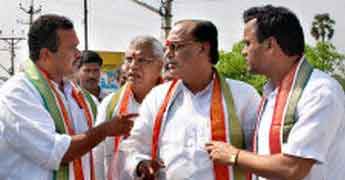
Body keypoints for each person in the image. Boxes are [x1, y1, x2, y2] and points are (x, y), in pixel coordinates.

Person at [206, 5, 345, 180]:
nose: (243, 51)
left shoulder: (319, 91)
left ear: (270, 45)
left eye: (248, 43)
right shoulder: (271, 93)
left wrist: (234, 156)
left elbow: (293, 167)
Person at [0, 14, 136, 180]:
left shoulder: (82, 97)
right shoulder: (18, 93)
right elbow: (57, 152)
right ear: (46, 55)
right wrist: (105, 130)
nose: (79, 54)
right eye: (72, 48)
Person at [124, 19, 261, 180]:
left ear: (203, 48)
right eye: (167, 47)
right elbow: (134, 147)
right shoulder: (157, 97)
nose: (168, 54)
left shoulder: (243, 95)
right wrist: (140, 165)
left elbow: (261, 153)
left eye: (176, 46)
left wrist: (235, 156)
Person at [94, 35, 164, 180]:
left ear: (160, 65)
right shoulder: (110, 104)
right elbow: (98, 157)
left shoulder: (174, 101)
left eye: (142, 60)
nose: (133, 66)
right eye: (129, 59)